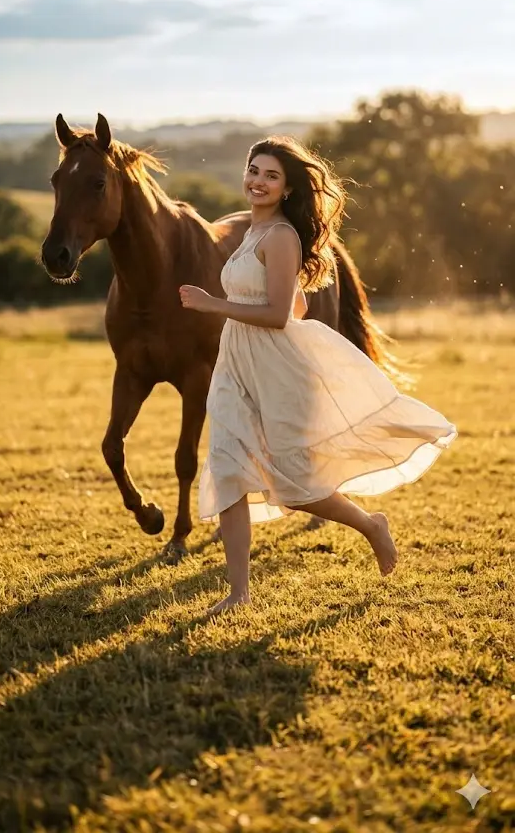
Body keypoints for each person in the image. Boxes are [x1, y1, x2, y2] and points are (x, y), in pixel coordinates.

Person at [179, 136, 457, 615]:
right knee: (227, 471)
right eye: (253, 170)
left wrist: (213, 304)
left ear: (287, 189)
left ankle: (371, 525)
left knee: (293, 484)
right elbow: (297, 305)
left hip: (273, 370)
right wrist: (262, 301)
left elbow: (276, 316)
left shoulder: (280, 236)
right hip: (236, 366)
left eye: (271, 176)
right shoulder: (252, 232)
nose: (259, 181)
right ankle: (238, 594)